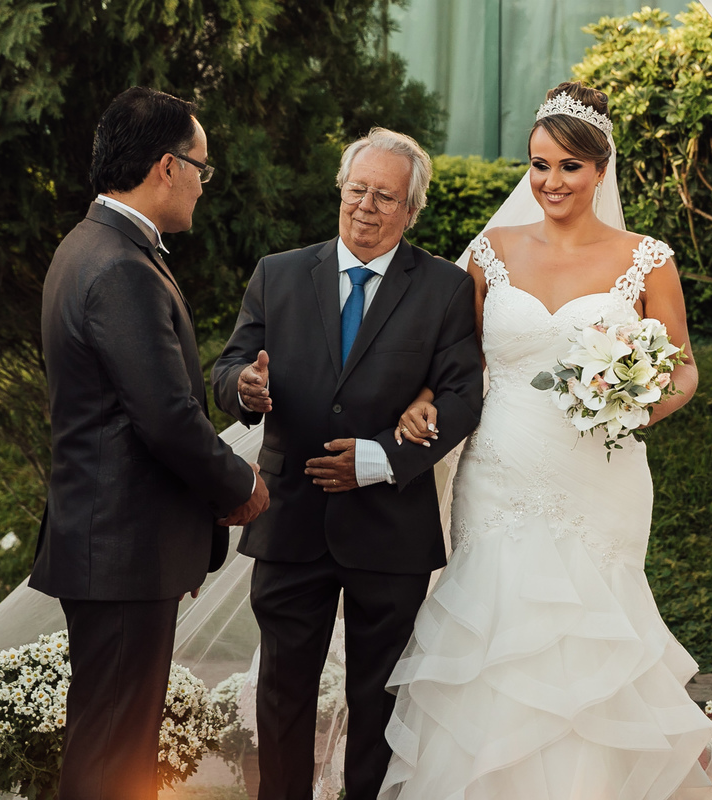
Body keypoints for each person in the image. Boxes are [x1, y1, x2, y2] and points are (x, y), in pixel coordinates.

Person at [379, 82, 712, 799]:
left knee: (592, 636)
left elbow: (684, 366)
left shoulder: (647, 258)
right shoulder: (491, 251)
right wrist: (419, 399)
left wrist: (634, 405)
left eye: (569, 166)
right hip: (500, 472)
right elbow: (454, 362)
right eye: (539, 165)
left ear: (600, 169)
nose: (551, 182)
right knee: (495, 630)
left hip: (600, 475)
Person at [212, 128, 485, 800]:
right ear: (341, 190)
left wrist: (381, 460)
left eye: (385, 196)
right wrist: (244, 387)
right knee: (281, 697)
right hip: (291, 523)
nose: (366, 206)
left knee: (379, 705)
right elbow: (225, 369)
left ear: (411, 210)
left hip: (391, 529)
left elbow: (463, 397)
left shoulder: (445, 289)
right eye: (356, 190)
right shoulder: (277, 274)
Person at [29, 87, 269, 800]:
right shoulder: (122, 267)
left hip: (110, 543)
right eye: (201, 166)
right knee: (112, 751)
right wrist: (240, 486)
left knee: (108, 738)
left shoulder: (89, 245)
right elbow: (164, 416)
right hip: (122, 549)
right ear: (167, 167)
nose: (203, 182)